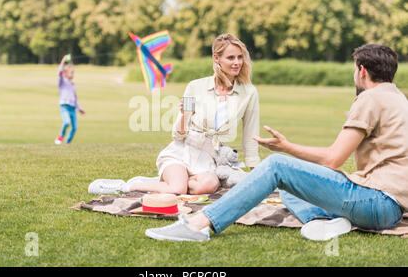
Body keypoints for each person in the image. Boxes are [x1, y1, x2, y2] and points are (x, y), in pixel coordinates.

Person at [145, 44, 408, 242]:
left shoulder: (370, 99)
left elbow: (333, 159)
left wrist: (285, 147)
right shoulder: (398, 99)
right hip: (391, 210)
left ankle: (198, 225)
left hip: (375, 202)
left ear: (361, 71)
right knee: (289, 187)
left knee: (276, 167)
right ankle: (321, 221)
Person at [94, 33, 260, 195]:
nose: (237, 62)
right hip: (182, 152)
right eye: (231, 58)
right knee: (177, 189)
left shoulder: (249, 93)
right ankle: (129, 186)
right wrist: (183, 115)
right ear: (216, 58)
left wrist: (256, 175)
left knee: (209, 185)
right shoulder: (195, 87)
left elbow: (250, 136)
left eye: (240, 57)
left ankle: (163, 182)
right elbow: (178, 135)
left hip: (209, 160)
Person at [54, 55, 85, 145]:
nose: (72, 75)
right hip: (64, 106)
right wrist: (63, 61)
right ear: (65, 74)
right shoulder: (62, 82)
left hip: (72, 108)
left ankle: (67, 142)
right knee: (67, 122)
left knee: (75, 127)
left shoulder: (72, 85)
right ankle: (60, 136)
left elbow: (75, 99)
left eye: (73, 73)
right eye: (71, 73)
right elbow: (59, 71)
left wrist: (80, 108)